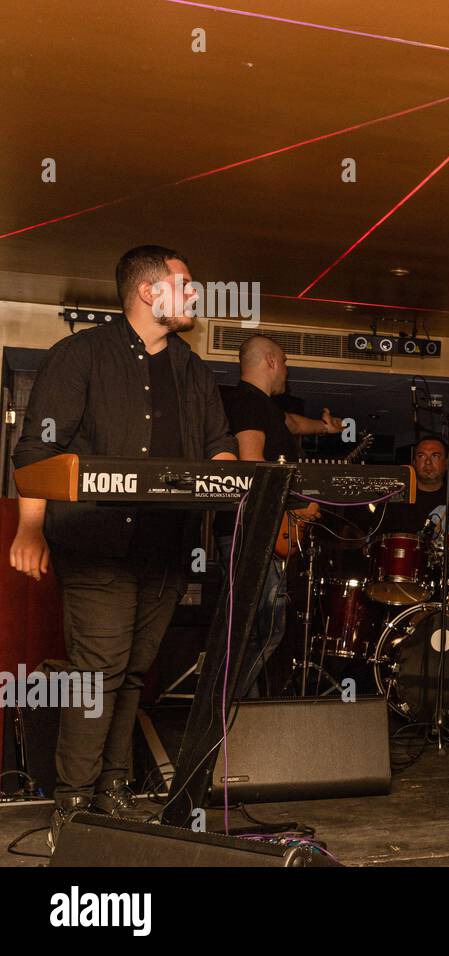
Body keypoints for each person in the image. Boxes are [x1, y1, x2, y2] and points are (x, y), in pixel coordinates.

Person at [9, 245, 238, 848]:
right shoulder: (80, 355)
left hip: (165, 549)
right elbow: (37, 450)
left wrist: (232, 481)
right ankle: (75, 806)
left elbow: (220, 448)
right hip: (96, 543)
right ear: (147, 292)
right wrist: (29, 528)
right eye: (186, 285)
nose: (195, 296)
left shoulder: (191, 369)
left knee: (133, 673)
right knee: (97, 672)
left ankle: (113, 790)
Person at [216, 333, 347, 697]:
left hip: (261, 533)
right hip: (254, 535)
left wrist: (325, 427)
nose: (287, 370)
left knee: (255, 629)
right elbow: (252, 466)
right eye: (285, 362)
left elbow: (290, 422)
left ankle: (239, 709)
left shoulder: (261, 406)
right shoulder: (246, 403)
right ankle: (225, 708)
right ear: (271, 361)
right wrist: (295, 507)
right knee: (260, 630)